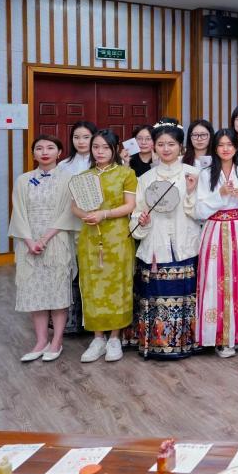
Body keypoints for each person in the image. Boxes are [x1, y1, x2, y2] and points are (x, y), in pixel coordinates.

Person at [128, 122, 202, 359]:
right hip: (156, 244)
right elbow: (137, 212)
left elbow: (200, 213)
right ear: (154, 147)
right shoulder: (146, 178)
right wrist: (142, 220)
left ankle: (187, 344)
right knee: (156, 293)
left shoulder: (193, 173)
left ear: (181, 146)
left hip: (185, 243)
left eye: (171, 144)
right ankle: (157, 345)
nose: (166, 149)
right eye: (161, 144)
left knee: (187, 294)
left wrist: (191, 192)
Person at [70, 129, 138, 364]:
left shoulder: (126, 173)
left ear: (115, 149)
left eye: (105, 147)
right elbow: (74, 206)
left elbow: (130, 205)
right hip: (90, 237)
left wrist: (104, 214)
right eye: (96, 147)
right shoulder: (84, 176)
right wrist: (85, 215)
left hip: (118, 237)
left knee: (118, 284)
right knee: (92, 285)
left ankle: (115, 338)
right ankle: (98, 338)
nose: (99, 152)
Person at [9, 134, 78, 362]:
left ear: (60, 153)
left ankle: (56, 341)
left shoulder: (69, 179)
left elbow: (69, 213)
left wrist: (45, 238)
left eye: (50, 148)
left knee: (57, 292)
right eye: (39, 148)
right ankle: (41, 341)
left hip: (57, 240)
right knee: (33, 292)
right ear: (33, 153)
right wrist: (30, 241)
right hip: (29, 243)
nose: (44, 152)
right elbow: (18, 213)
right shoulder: (23, 180)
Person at [195, 129, 238, 357]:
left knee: (237, 280)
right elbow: (199, 210)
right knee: (214, 281)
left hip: (237, 230)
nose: (225, 149)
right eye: (221, 145)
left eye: (229, 144)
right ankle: (217, 336)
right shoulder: (205, 175)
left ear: (236, 148)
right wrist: (220, 194)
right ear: (215, 148)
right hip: (213, 230)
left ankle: (235, 334)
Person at [55, 120, 96, 334]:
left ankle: (92, 321)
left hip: (94, 224)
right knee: (71, 271)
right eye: (76, 137)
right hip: (70, 225)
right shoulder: (63, 165)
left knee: (91, 271)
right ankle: (72, 321)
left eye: (86, 137)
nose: (81, 141)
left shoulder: (100, 163)